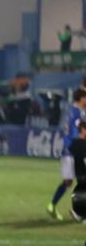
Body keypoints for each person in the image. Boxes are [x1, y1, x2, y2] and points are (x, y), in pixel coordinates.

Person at [48, 89, 86, 220]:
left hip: (68, 151)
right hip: (74, 150)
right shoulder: (77, 113)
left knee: (69, 182)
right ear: (81, 99)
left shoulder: (70, 111)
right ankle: (79, 212)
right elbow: (76, 133)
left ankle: (52, 205)